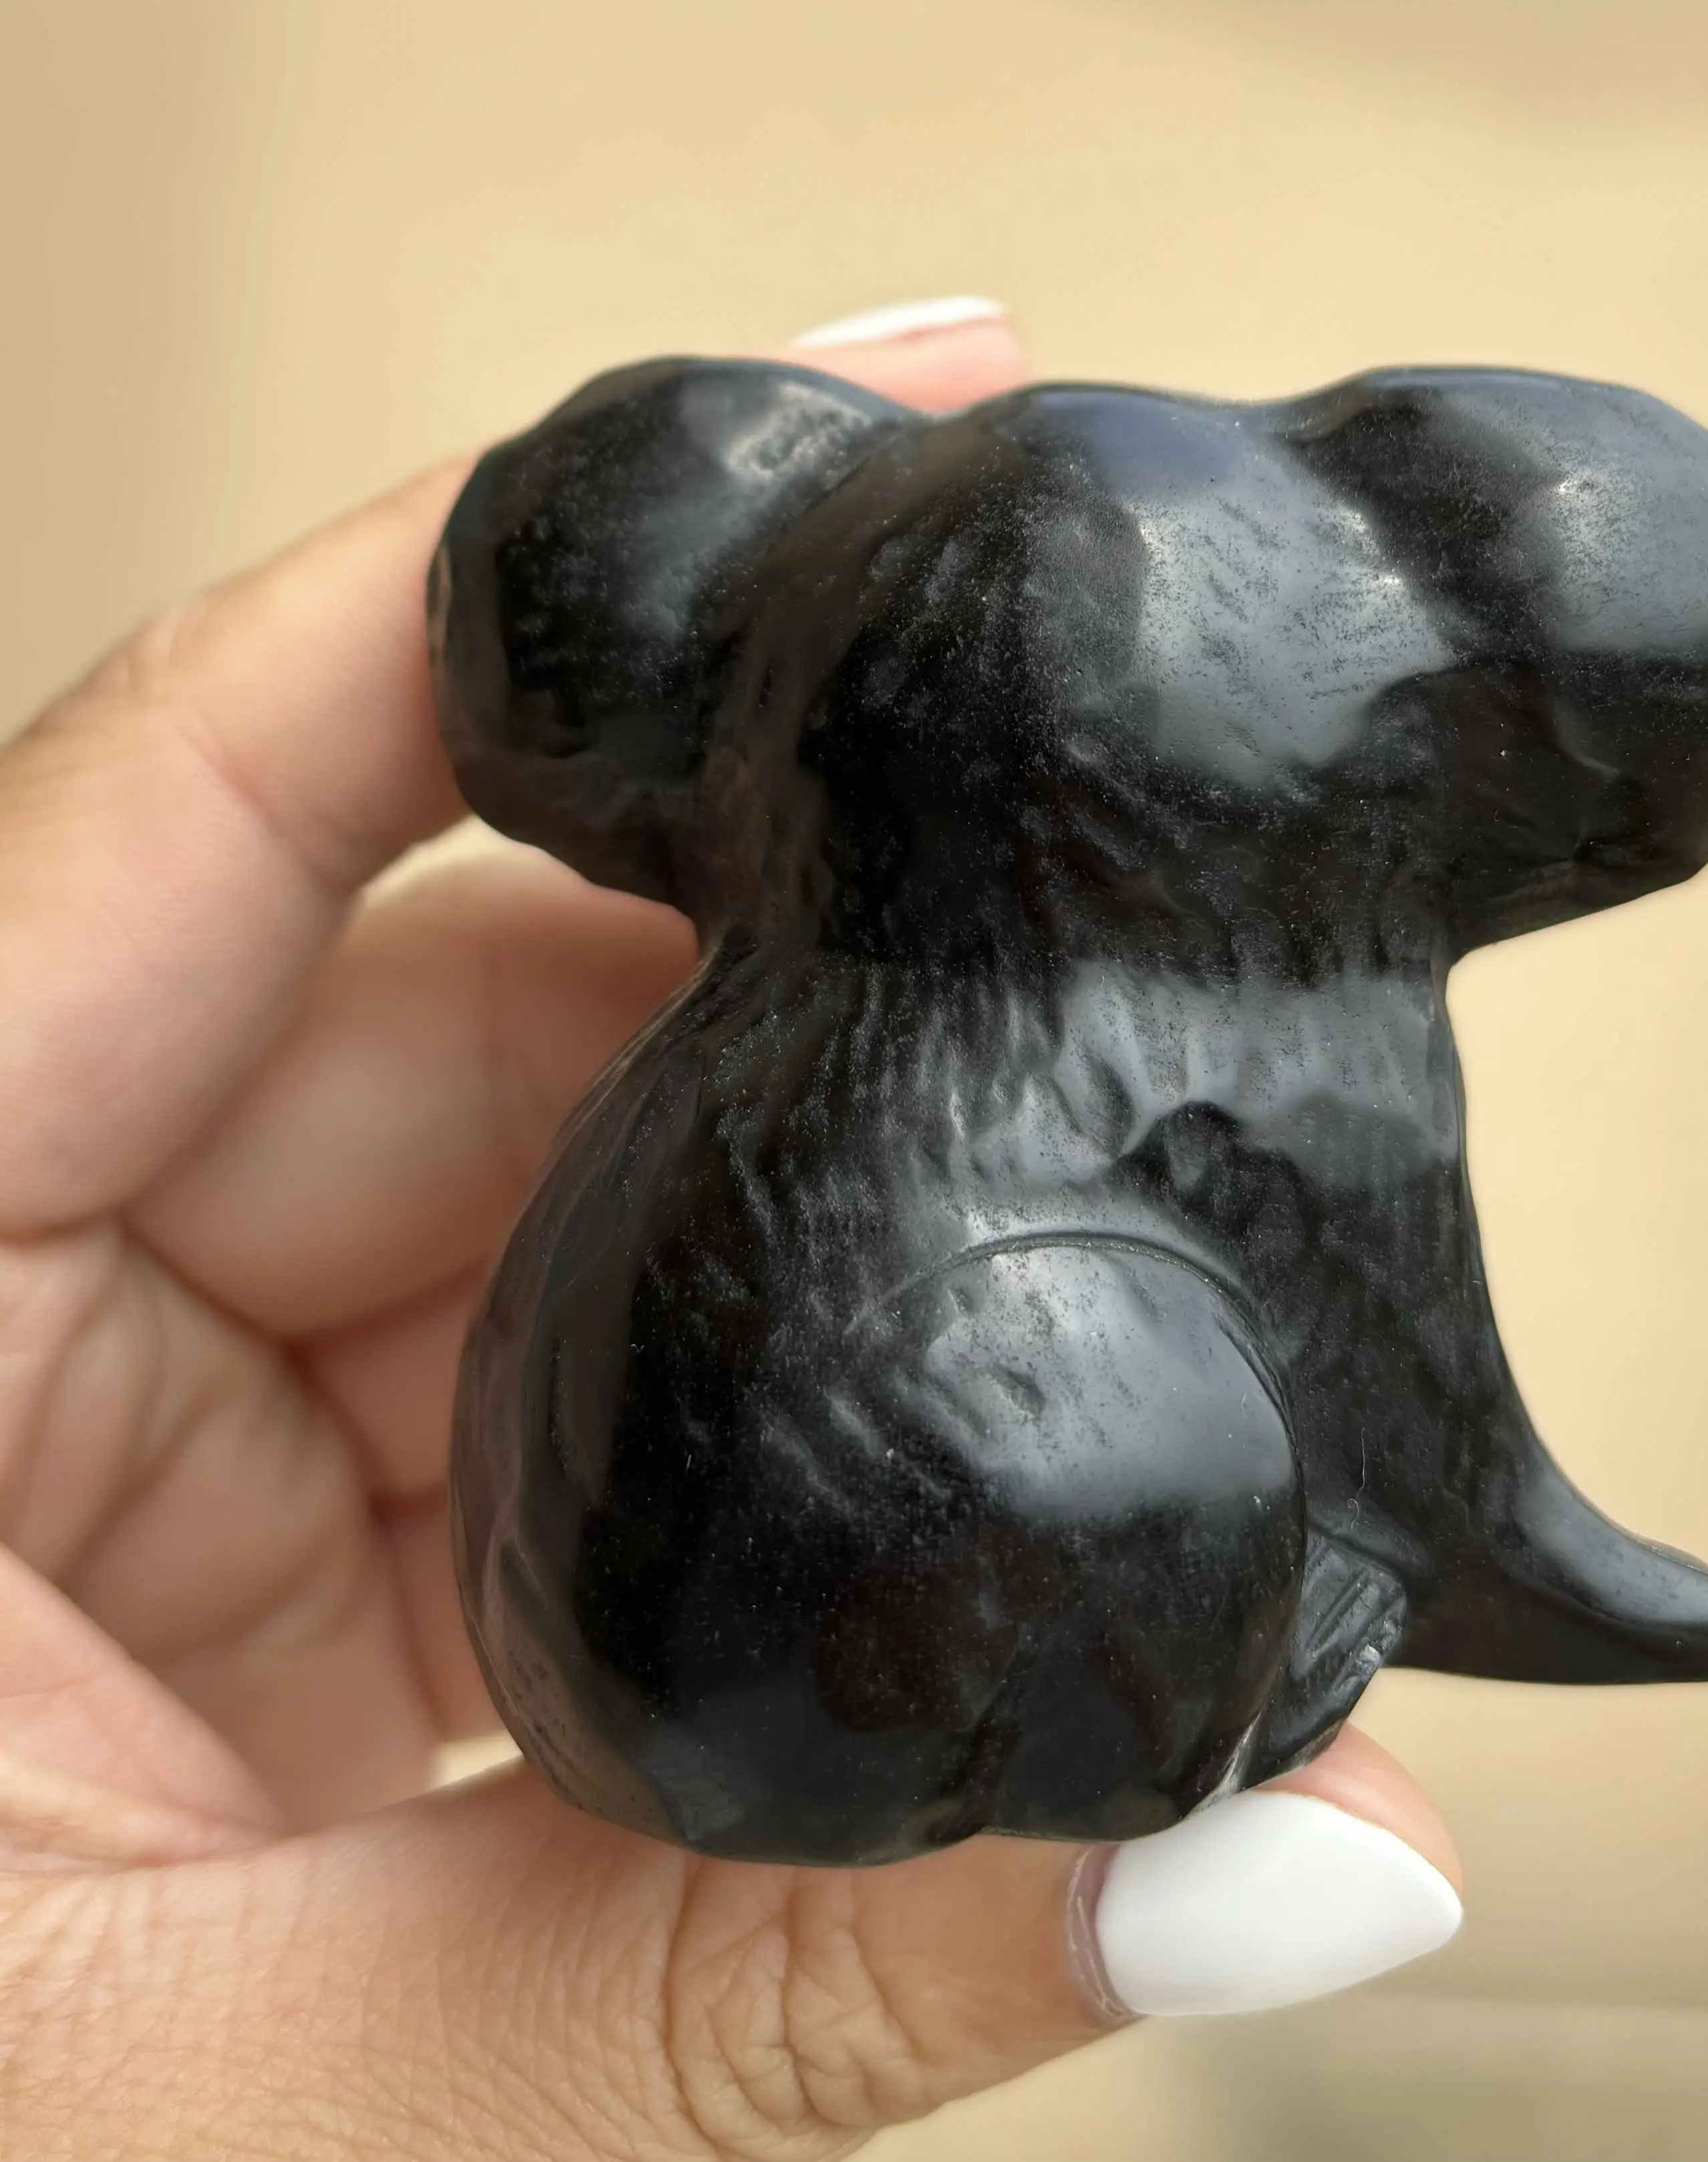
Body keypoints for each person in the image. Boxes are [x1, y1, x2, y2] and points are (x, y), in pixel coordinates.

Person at [0, 299, 1462, 2159]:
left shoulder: (841, 980)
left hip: (657, 1613)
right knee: (1067, 1416)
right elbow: (1385, 1322)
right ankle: (1066, 1716)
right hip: (864, 1622)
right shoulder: (1172, 989)